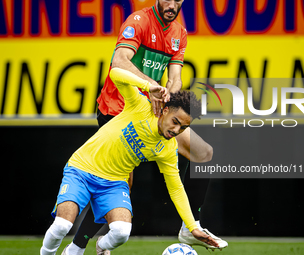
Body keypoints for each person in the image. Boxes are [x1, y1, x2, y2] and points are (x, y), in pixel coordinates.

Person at [62, 0, 227, 254]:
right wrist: (150, 86)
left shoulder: (179, 34)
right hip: (120, 108)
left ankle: (190, 225)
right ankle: (79, 247)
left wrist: (168, 99)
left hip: (155, 114)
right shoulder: (137, 22)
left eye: (178, 0)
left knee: (203, 153)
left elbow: (175, 77)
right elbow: (119, 62)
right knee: (117, 188)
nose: (172, 4)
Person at [40, 68, 219, 255]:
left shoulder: (167, 149)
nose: (176, 130)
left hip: (114, 183)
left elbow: (176, 189)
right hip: (82, 169)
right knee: (62, 225)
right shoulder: (141, 106)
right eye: (175, 121)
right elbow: (116, 72)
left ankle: (99, 246)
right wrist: (148, 86)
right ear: (165, 110)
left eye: (183, 127)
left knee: (121, 232)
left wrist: (192, 227)